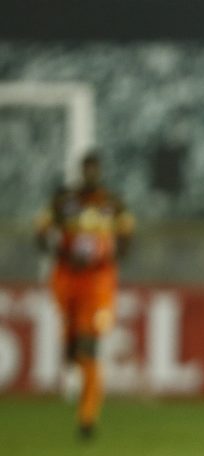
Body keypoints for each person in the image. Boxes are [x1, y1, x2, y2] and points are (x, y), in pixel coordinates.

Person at [35, 151, 135, 439]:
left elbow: (128, 232)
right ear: (81, 170)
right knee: (70, 350)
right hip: (67, 280)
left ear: (100, 171)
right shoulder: (64, 201)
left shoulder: (111, 202)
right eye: (87, 168)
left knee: (87, 346)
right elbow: (40, 231)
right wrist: (60, 253)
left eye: (95, 168)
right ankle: (75, 362)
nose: (91, 173)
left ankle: (87, 418)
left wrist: (114, 257)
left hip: (97, 283)